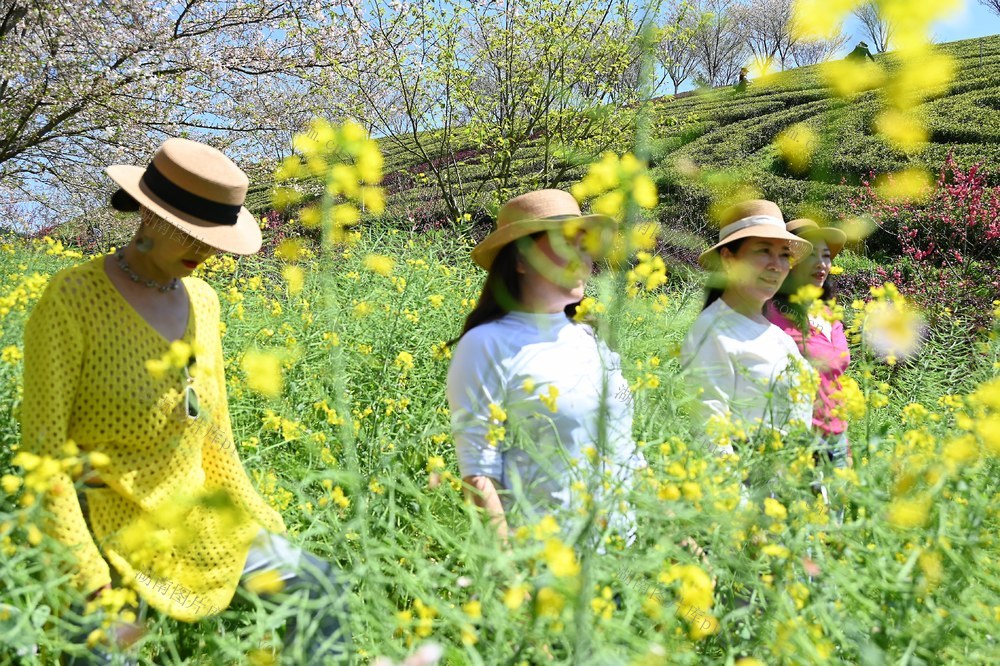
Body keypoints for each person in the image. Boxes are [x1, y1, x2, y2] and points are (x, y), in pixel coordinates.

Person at [19, 138, 350, 663]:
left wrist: (256, 520)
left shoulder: (203, 300)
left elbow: (213, 427)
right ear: (149, 216)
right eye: (193, 234)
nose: (208, 250)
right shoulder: (73, 299)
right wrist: (86, 577)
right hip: (101, 522)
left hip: (193, 515)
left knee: (318, 585)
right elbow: (44, 455)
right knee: (100, 649)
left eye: (216, 237)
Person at [446, 189, 646, 550]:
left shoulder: (591, 337)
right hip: (546, 560)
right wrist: (510, 571)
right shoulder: (486, 344)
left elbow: (625, 449)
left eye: (583, 245)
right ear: (520, 259)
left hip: (622, 550)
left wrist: (677, 536)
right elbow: (478, 474)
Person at [680, 199, 816, 458]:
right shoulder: (711, 331)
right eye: (763, 251)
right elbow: (710, 434)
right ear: (729, 259)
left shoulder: (778, 335)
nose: (776, 265)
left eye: (784, 254)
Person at [765, 219, 852, 469]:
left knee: (837, 508)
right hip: (795, 438)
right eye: (811, 254)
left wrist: (844, 445)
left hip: (836, 435)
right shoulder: (770, 312)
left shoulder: (830, 313)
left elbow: (835, 380)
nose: (821, 263)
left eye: (826, 255)